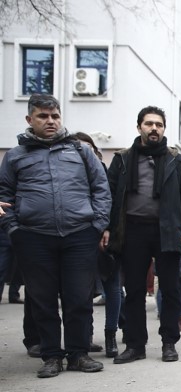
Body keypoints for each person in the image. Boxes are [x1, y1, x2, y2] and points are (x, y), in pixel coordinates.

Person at [0, 94, 110, 377]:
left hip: (78, 235)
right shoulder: (15, 156)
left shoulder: (79, 151)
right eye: (43, 116)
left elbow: (100, 187)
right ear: (29, 120)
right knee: (42, 299)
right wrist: (15, 230)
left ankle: (78, 354)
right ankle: (51, 356)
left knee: (78, 297)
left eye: (55, 116)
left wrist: (96, 225)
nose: (50, 121)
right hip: (34, 237)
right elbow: (4, 196)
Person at [106, 105, 181, 364]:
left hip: (167, 230)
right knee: (134, 289)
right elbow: (110, 196)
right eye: (149, 124)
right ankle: (135, 345)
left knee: (170, 289)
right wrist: (106, 228)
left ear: (164, 129)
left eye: (158, 124)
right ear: (139, 127)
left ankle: (169, 342)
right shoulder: (123, 159)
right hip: (132, 229)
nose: (154, 128)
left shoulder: (176, 160)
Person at [73, 131, 123, 357]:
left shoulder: (104, 171)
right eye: (78, 148)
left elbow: (113, 202)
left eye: (88, 148)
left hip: (104, 235)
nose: (84, 152)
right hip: (76, 237)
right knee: (81, 291)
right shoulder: (67, 174)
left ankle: (111, 335)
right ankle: (85, 337)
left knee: (113, 287)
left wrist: (107, 229)